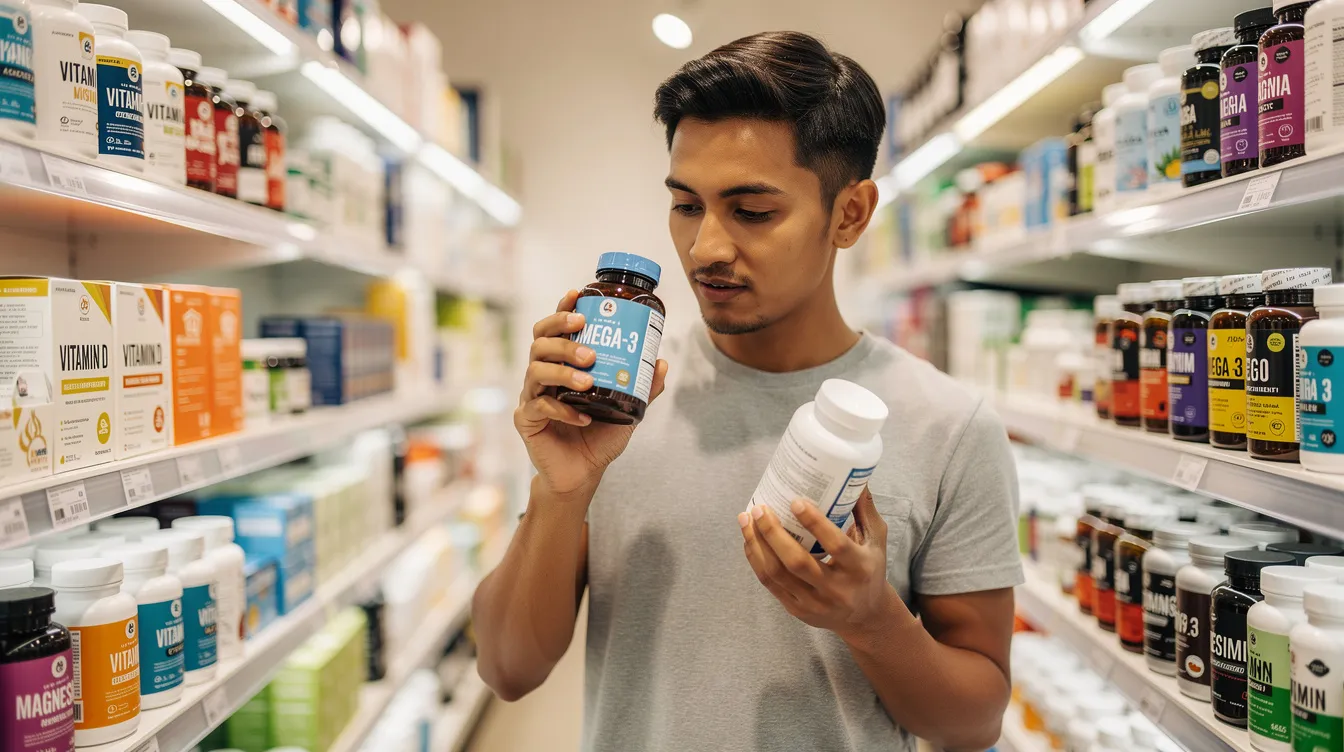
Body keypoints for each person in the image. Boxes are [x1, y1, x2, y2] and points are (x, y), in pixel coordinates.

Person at [473, 30, 1024, 752]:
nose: (706, 249)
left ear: (850, 214)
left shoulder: (948, 428)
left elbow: (975, 723)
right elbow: (508, 668)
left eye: (752, 211)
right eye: (687, 205)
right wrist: (562, 489)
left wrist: (872, 619)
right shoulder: (618, 401)